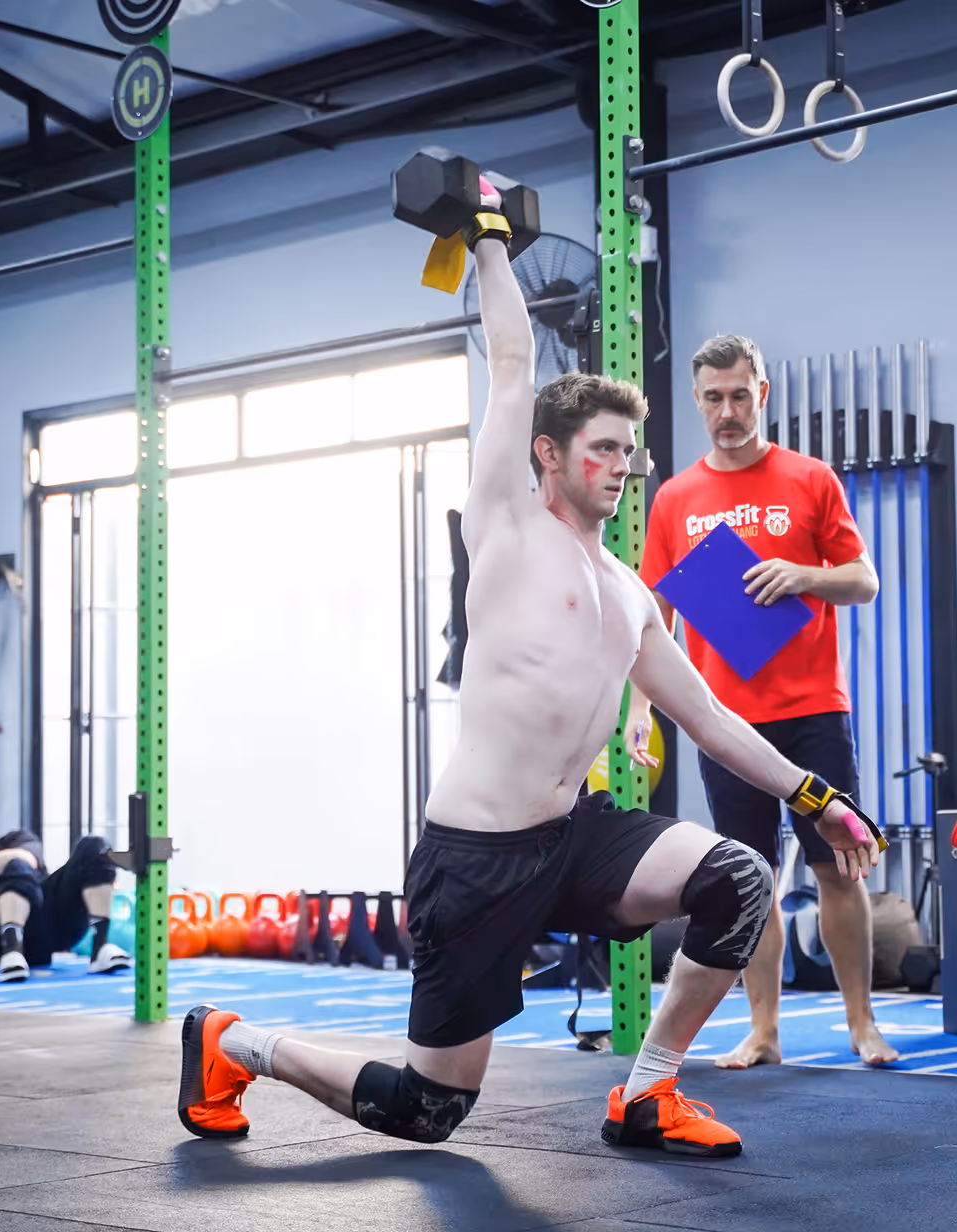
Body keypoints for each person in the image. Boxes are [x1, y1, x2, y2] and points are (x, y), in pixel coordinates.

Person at [176, 189, 882, 1159]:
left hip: (573, 836)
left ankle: (646, 1093)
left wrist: (818, 792)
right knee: (429, 1110)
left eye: (630, 453)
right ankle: (234, 1040)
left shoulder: (629, 591)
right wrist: (491, 239)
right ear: (549, 456)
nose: (622, 468)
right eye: (602, 450)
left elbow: (712, 716)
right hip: (477, 857)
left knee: (738, 876)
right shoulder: (506, 536)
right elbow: (511, 363)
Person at [629, 333, 899, 1069]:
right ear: (697, 401)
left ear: (763, 394)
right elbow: (652, 617)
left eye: (740, 395)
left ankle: (862, 1024)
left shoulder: (810, 479)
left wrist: (803, 575)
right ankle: (763, 1031)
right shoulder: (676, 499)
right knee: (751, 877)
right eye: (714, 398)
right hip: (725, 721)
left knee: (837, 867)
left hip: (813, 708)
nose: (728, 411)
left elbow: (865, 580)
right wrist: (638, 706)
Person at [0, 803, 131, 982]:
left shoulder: (15, 840)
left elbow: (25, 860)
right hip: (3, 944)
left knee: (94, 846)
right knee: (13, 868)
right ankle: (12, 949)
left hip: (52, 918)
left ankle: (100, 947)